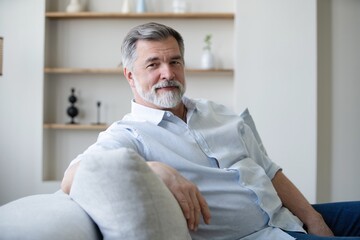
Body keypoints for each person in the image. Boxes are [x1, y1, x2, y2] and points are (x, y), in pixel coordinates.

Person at [61, 22, 360, 239]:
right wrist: (154, 170)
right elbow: (72, 177)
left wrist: (313, 217)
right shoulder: (128, 134)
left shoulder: (219, 112)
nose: (168, 73)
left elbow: (269, 172)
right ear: (130, 75)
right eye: (153, 64)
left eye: (174, 61)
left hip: (288, 218)